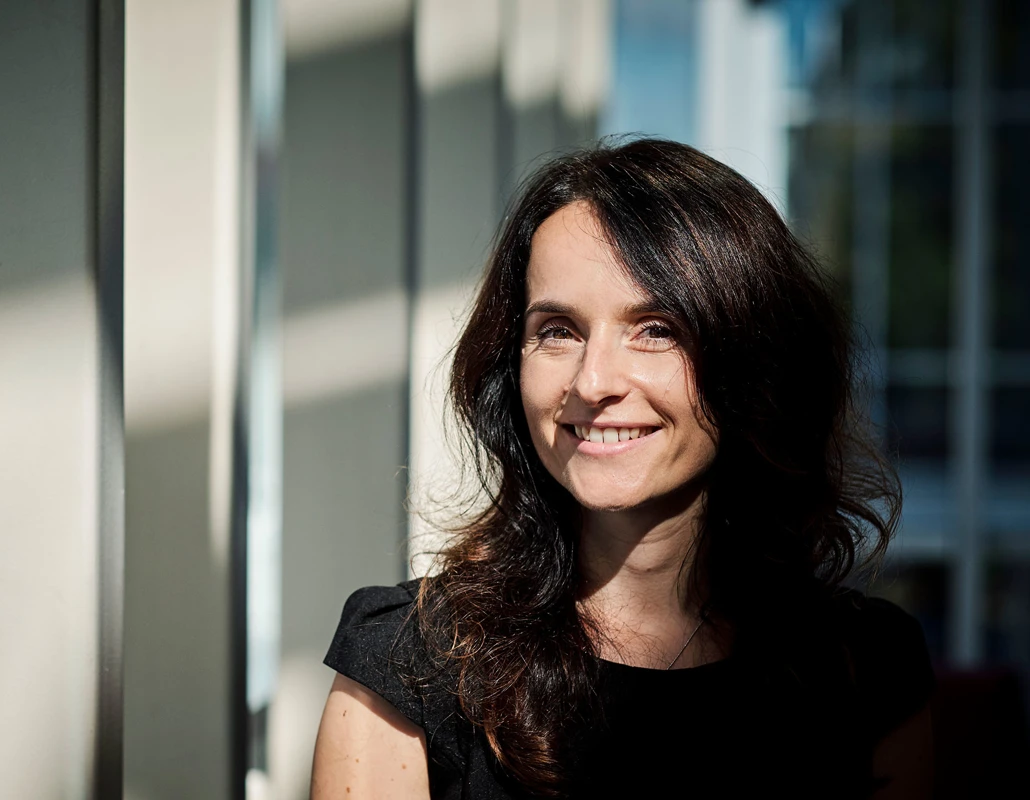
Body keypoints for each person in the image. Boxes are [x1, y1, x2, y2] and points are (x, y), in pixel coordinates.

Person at [310, 138, 934, 798]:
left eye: (657, 328)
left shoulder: (868, 671)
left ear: (754, 362)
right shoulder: (405, 665)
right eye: (558, 331)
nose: (593, 380)